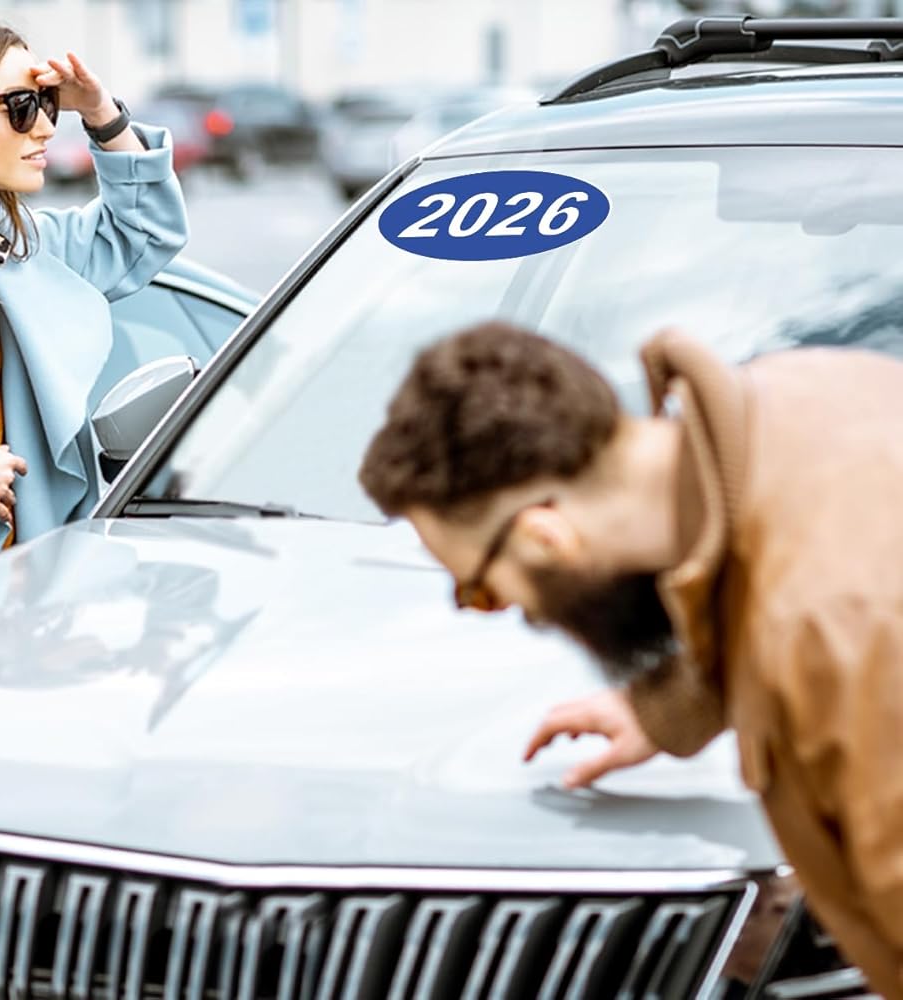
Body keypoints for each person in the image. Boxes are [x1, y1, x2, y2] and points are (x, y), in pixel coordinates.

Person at [358, 320, 903, 999]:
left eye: (482, 591)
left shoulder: (835, 631)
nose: (520, 615)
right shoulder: (804, 392)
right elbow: (756, 556)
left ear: (546, 538)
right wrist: (677, 702)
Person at [0, 8, 188, 592]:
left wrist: (101, 115)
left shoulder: (8, 248)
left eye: (46, 104)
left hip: (25, 601)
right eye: (19, 107)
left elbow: (142, 233)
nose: (44, 128)